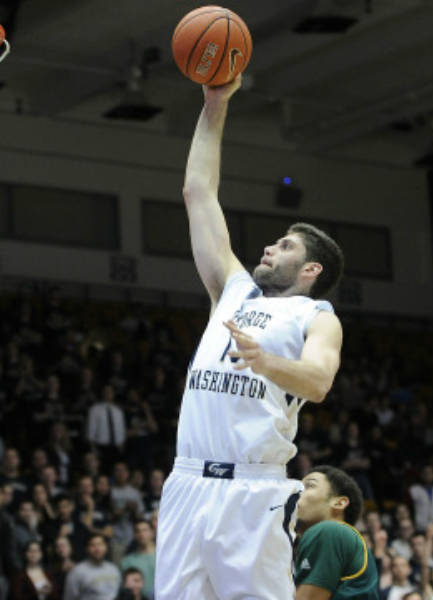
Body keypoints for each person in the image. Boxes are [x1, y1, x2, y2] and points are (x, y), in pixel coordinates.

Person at [154, 75, 344, 600]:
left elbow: (319, 382)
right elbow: (197, 191)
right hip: (188, 482)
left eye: (284, 246)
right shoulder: (232, 289)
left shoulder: (317, 315)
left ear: (309, 269)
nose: (268, 247)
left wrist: (266, 362)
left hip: (252, 487)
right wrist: (216, 103)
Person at [293, 466, 379, 599]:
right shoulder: (337, 537)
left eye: (309, 485)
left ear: (339, 503)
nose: (296, 490)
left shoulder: (330, 531)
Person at [62, 535, 119, 600]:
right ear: (87, 549)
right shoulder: (76, 572)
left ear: (106, 547)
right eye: (93, 545)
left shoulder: (113, 569)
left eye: (100, 544)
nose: (97, 549)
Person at [119, 521, 156, 600]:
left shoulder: (163, 558)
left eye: (145, 530)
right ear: (134, 535)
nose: (141, 534)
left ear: (152, 533)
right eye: (138, 531)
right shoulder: (127, 561)